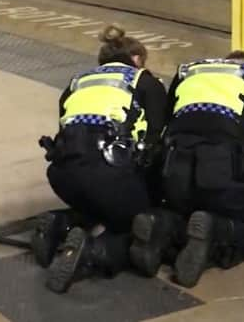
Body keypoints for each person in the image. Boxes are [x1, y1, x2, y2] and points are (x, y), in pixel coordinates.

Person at [129, 50, 244, 287]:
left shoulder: (187, 72)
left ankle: (161, 224)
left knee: (186, 211)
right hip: (222, 170)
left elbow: (164, 123)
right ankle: (218, 233)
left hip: (175, 171)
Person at [33, 24, 168, 293]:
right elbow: (158, 138)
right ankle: (92, 252)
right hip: (109, 172)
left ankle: (61, 225)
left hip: (62, 175)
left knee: (98, 202)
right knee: (140, 225)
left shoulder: (77, 82)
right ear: (137, 59)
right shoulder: (144, 81)